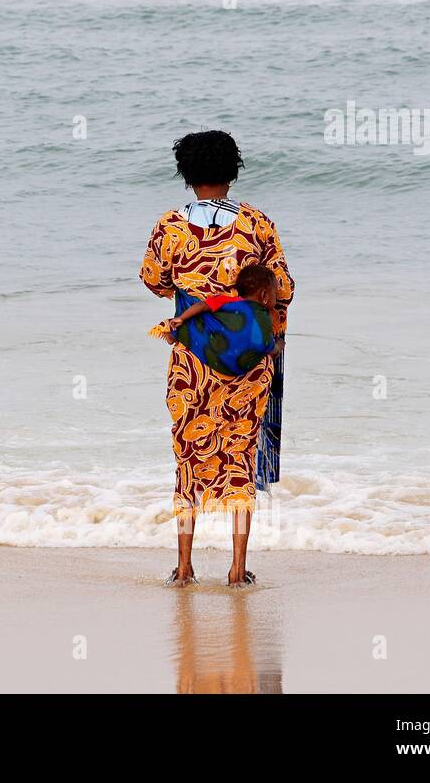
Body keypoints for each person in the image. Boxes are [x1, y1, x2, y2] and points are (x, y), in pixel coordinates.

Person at [140, 131, 293, 587]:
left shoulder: (170, 226)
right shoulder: (255, 223)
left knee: (188, 455)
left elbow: (153, 279)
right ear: (234, 170)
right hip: (246, 358)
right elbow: (282, 288)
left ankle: (184, 566)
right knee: (239, 454)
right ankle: (236, 567)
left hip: (192, 357)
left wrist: (193, 291)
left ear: (186, 176)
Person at [152, 263, 286, 376]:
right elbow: (266, 346)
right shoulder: (262, 316)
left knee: (197, 324)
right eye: (275, 293)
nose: (276, 297)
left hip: (220, 357)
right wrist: (279, 344)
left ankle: (176, 333)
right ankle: (176, 333)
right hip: (240, 368)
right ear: (264, 295)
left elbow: (203, 305)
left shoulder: (227, 301)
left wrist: (182, 318)